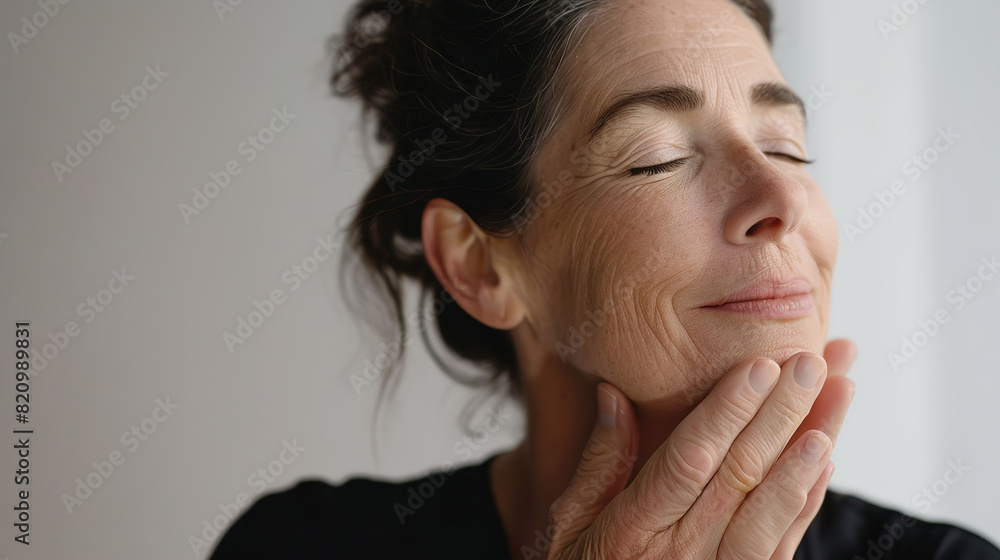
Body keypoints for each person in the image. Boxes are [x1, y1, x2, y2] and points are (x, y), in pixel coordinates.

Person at [209, 0, 1000, 558]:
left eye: (788, 146)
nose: (784, 197)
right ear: (481, 264)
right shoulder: (305, 546)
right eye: (657, 157)